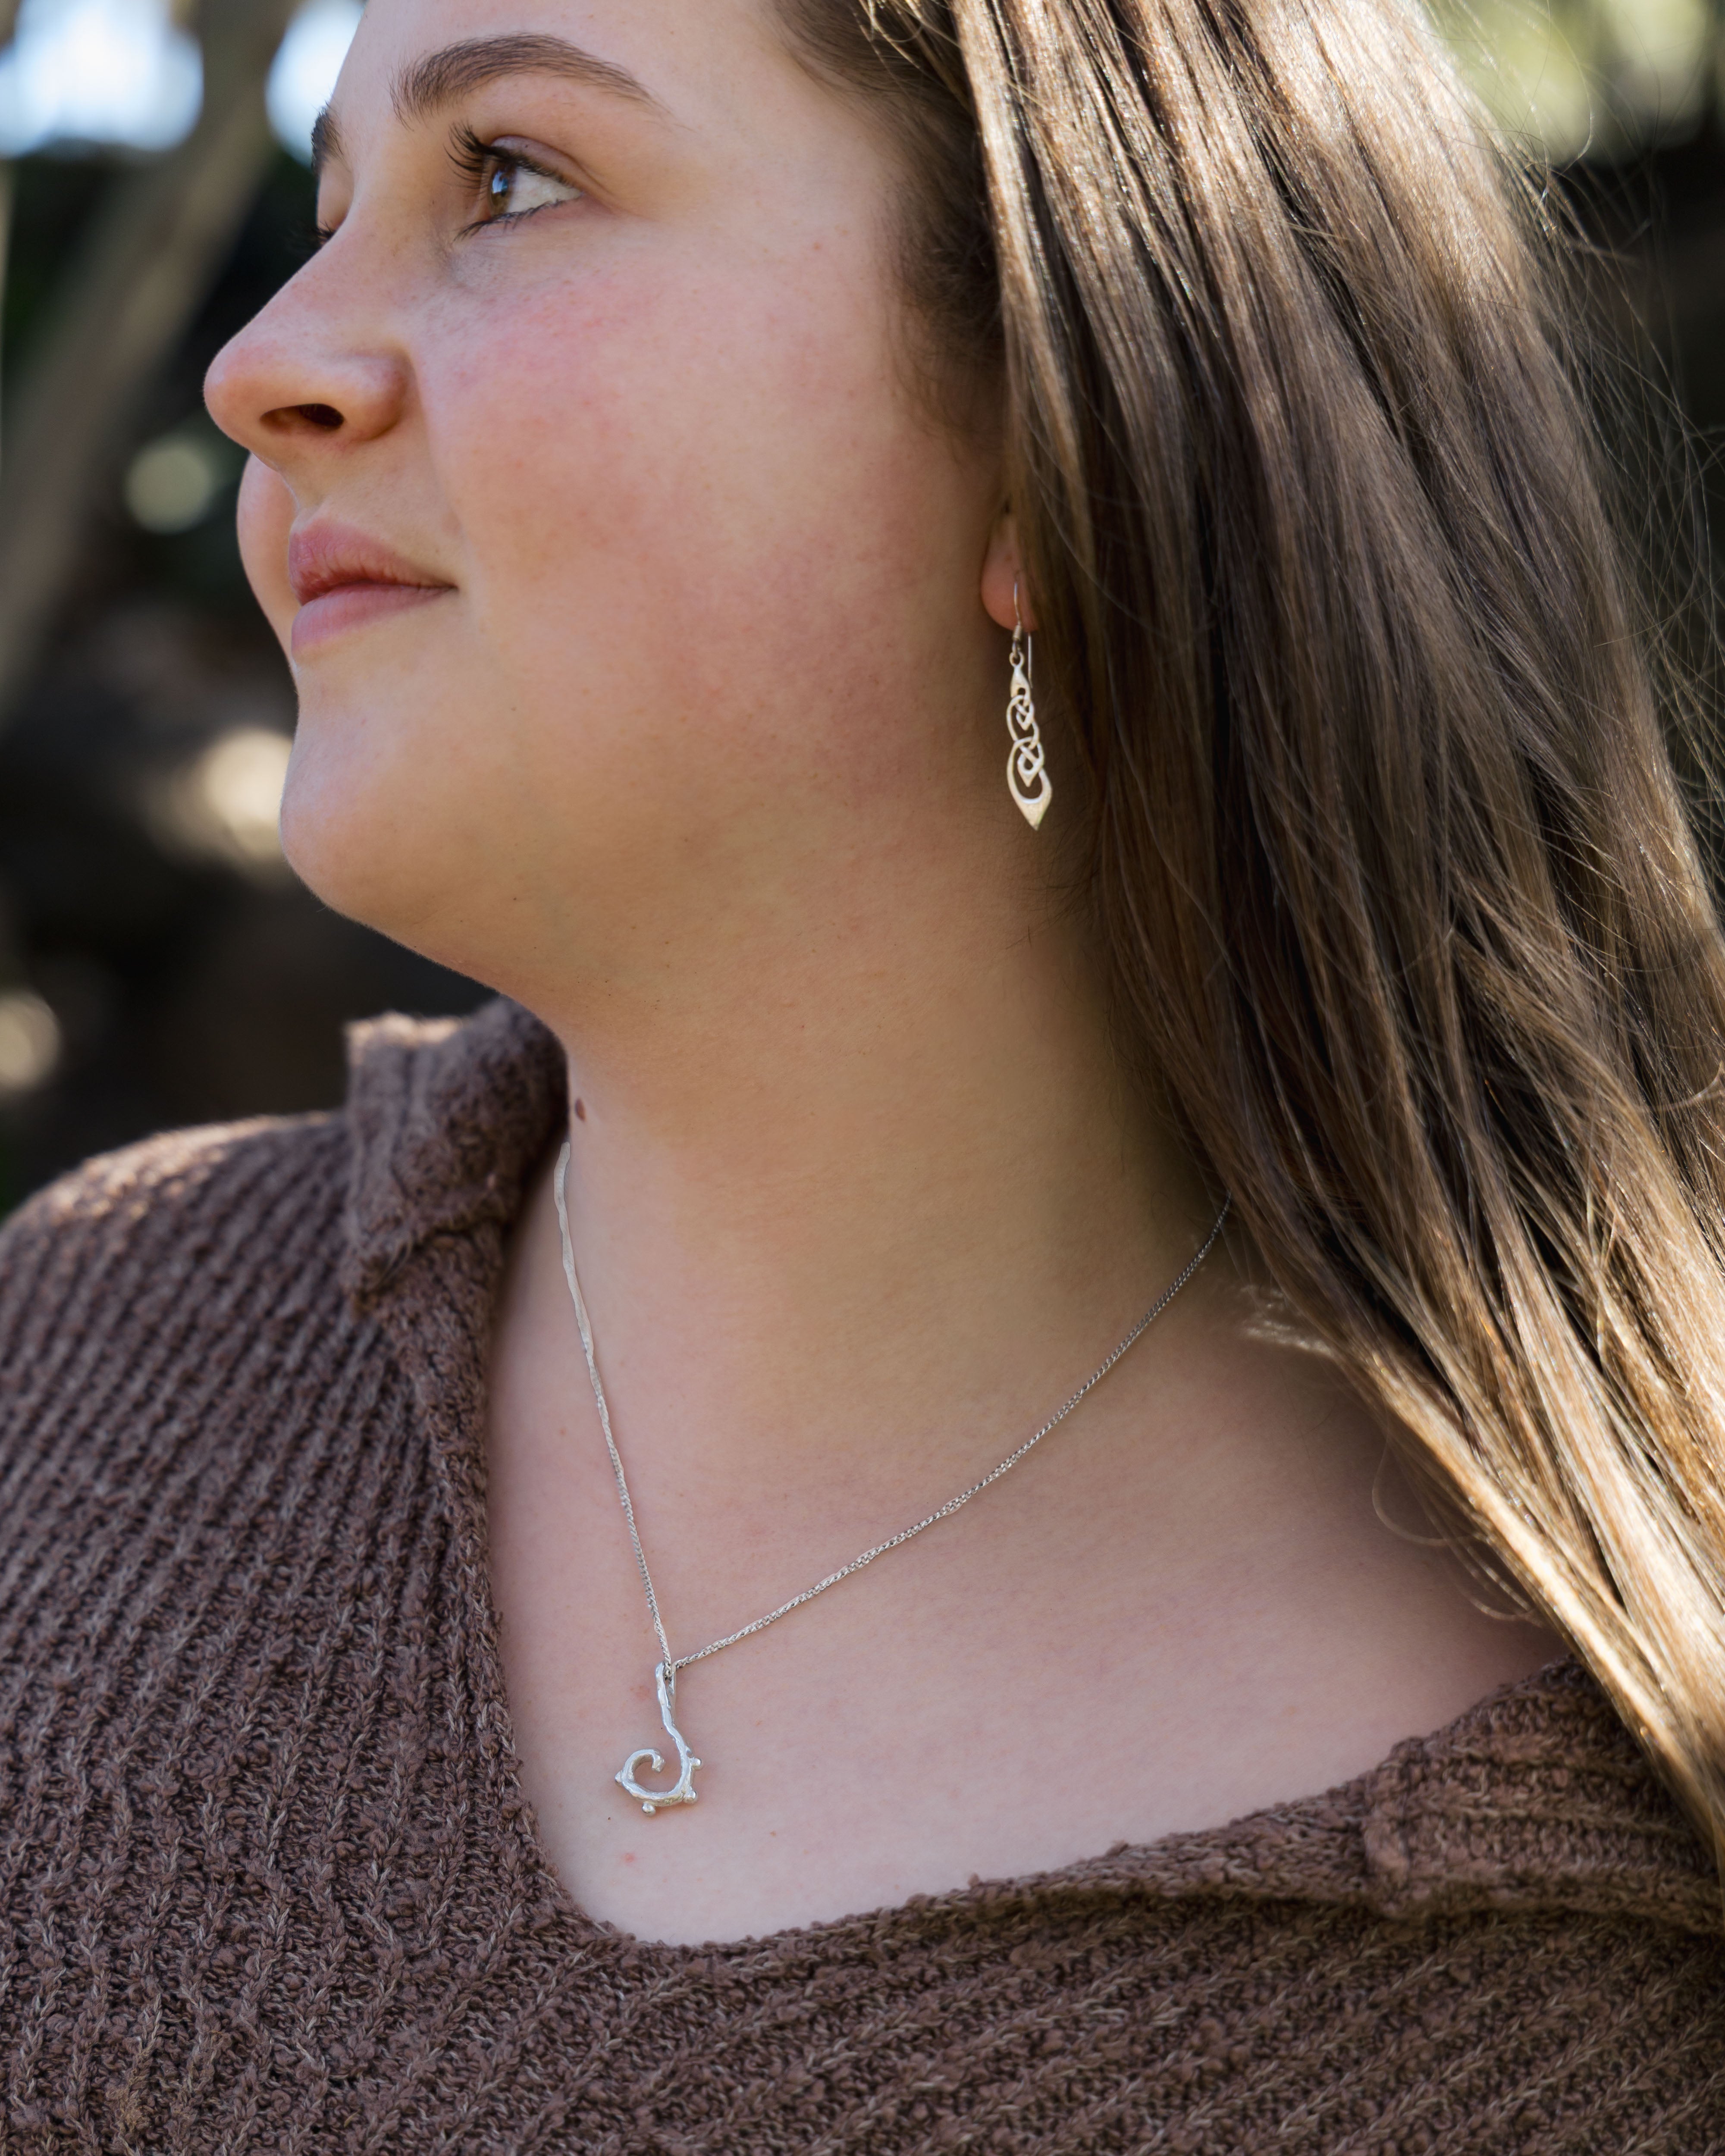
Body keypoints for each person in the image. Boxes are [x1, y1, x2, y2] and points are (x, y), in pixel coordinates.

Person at [3, 0, 1723, 2143]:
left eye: (509, 177)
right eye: (333, 200)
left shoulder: (1598, 1961)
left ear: (1053, 432)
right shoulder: (81, 1370)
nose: (262, 364)